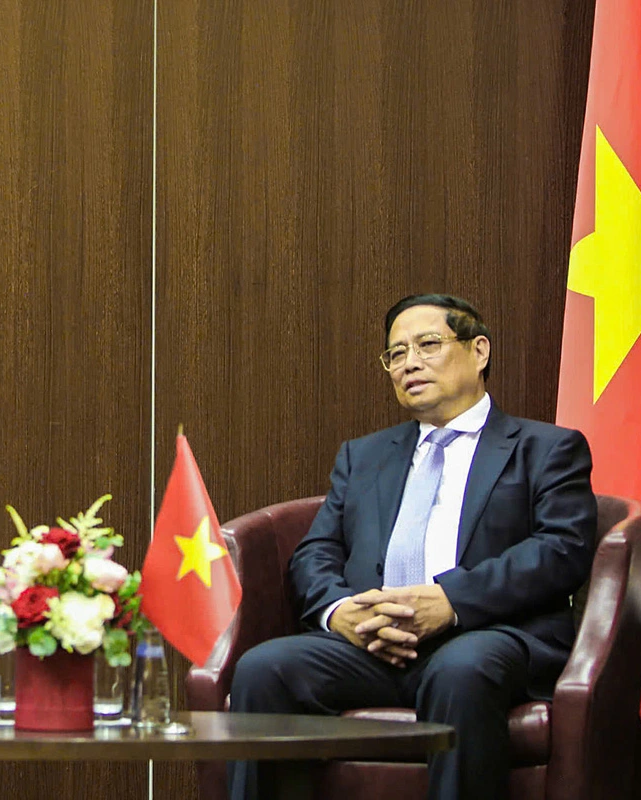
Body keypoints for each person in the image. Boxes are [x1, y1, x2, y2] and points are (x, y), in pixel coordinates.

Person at [229, 294, 596, 800]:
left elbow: (563, 549)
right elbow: (316, 552)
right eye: (396, 354)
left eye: (427, 345)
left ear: (480, 351)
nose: (410, 364)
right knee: (263, 669)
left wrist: (450, 602)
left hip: (488, 635)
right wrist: (341, 614)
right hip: (370, 646)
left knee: (461, 672)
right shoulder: (364, 456)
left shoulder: (546, 448)